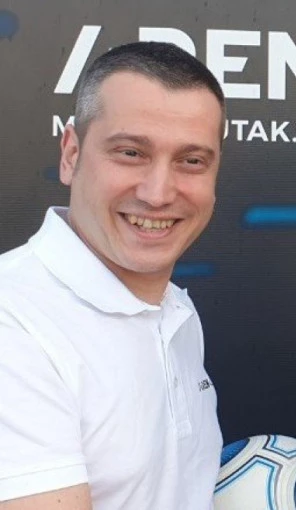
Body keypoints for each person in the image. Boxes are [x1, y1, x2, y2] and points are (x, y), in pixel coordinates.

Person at [0, 42, 225, 509]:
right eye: (131, 152)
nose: (158, 193)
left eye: (191, 161)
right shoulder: (13, 323)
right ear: (71, 154)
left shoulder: (175, 310)